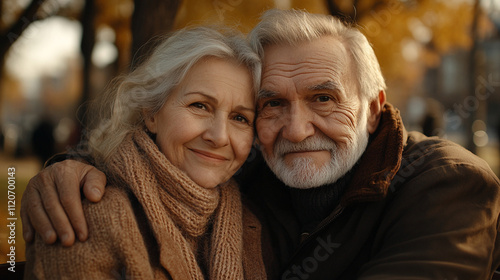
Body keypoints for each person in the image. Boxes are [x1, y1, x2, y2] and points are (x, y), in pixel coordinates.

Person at [22, 9, 500, 279]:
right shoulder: (246, 177)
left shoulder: (444, 184)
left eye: (323, 98)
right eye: (271, 105)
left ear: (374, 109)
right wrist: (74, 167)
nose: (295, 130)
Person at [23, 26, 267, 279]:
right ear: (151, 112)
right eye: (200, 105)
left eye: (240, 117)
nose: (218, 136)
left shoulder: (253, 223)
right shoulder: (86, 214)